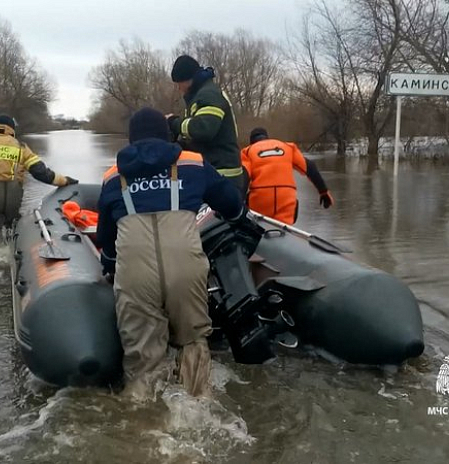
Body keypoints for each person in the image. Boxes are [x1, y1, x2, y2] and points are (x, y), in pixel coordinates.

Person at [97, 108, 248, 399]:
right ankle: (199, 406)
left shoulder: (113, 177)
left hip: (136, 273)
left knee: (143, 360)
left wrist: (110, 266)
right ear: (167, 135)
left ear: (131, 139)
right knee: (193, 340)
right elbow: (231, 206)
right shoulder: (194, 164)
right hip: (186, 269)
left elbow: (105, 238)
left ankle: (142, 421)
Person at [0, 114, 78, 240]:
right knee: (14, 231)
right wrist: (65, 180)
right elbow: (41, 173)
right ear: (12, 129)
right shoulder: (20, 147)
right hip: (13, 201)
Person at [165, 55, 247, 193]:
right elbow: (197, 137)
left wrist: (174, 122)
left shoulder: (208, 95)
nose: (179, 88)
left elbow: (203, 129)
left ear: (187, 79)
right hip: (216, 173)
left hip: (222, 175)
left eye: (179, 83)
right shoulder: (202, 94)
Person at [241, 127, 333, 225]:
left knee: (254, 221)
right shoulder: (287, 147)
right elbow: (310, 167)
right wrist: (323, 192)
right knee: (285, 224)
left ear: (251, 142)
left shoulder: (247, 152)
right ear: (267, 137)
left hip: (260, 202)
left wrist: (237, 204)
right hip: (285, 201)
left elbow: (243, 178)